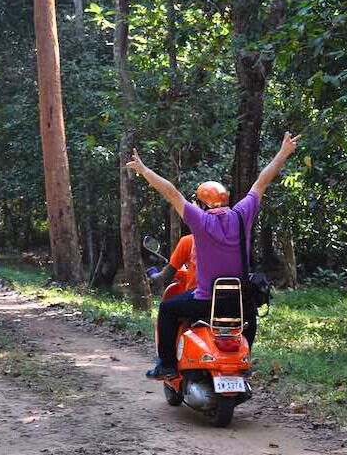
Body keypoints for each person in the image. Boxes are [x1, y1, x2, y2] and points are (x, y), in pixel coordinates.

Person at [126, 132, 301, 379]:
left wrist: (143, 170)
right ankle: (244, 362)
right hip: (239, 304)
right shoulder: (242, 215)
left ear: (202, 204)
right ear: (225, 200)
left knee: (167, 308)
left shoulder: (200, 222)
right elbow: (262, 181)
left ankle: (166, 365)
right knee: (250, 318)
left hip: (206, 303)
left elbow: (172, 192)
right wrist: (283, 152)